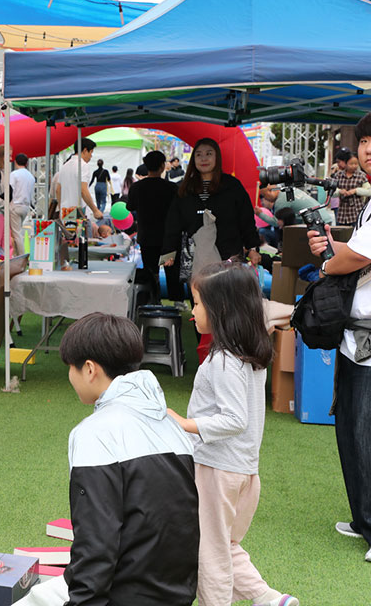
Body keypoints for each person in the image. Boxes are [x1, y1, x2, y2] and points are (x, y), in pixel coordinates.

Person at [20, 312, 197, 606]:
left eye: (70, 368)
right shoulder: (172, 426)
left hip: (122, 593)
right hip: (176, 592)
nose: (69, 376)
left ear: (89, 369)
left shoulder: (94, 433)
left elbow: (96, 542)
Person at [166, 262, 298, 606]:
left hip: (217, 471)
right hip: (243, 472)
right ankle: (269, 599)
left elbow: (233, 419)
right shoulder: (250, 353)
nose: (192, 310)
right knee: (224, 546)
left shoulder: (224, 360)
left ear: (220, 309)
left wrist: (183, 423)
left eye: (196, 303)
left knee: (209, 553)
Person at [308, 112, 371, 564]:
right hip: (357, 335)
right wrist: (335, 250)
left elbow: (358, 256)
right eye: (365, 141)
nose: (367, 150)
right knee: (349, 429)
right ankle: (363, 516)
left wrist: (331, 261)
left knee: (364, 432)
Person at [162, 137, 260, 269]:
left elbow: (246, 218)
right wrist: (169, 251)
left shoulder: (232, 186)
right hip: (195, 255)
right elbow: (173, 222)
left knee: (227, 288)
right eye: (198, 155)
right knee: (199, 289)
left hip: (228, 253)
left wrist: (252, 248)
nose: (203, 159)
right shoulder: (185, 188)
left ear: (217, 158)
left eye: (209, 154)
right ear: (193, 159)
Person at [127, 150, 183, 301]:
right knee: (172, 272)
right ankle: (176, 301)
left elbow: (129, 207)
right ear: (163, 166)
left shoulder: (137, 187)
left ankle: (152, 299)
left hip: (147, 237)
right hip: (168, 238)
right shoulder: (171, 188)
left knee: (151, 272)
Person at [54, 139, 104, 221]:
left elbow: (58, 190)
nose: (91, 156)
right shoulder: (83, 166)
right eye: (91, 152)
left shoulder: (64, 166)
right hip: (79, 213)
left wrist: (61, 209)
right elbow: (83, 190)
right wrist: (95, 210)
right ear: (85, 150)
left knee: (67, 233)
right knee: (80, 233)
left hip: (65, 212)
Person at [331, 153, 370, 227]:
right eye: (351, 164)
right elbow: (331, 192)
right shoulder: (338, 176)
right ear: (345, 163)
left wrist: (356, 191)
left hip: (356, 212)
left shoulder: (361, 176)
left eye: (356, 164)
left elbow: (369, 191)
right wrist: (340, 191)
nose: (354, 166)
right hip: (342, 213)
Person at [9, 153, 36, 256]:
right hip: (25, 206)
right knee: (18, 231)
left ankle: (21, 256)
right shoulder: (31, 176)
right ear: (27, 163)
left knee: (16, 234)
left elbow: (10, 190)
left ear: (15, 162)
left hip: (15, 205)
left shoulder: (14, 174)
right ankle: (16, 255)